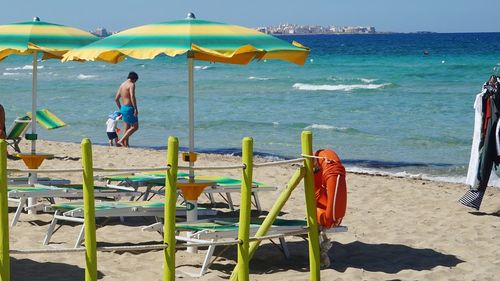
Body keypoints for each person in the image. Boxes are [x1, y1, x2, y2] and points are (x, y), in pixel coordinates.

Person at [115, 71, 139, 147]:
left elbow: (116, 99)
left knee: (127, 127)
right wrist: (135, 108)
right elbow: (132, 96)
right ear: (134, 79)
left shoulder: (122, 85)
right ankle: (121, 140)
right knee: (135, 127)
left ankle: (126, 145)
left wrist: (121, 108)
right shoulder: (131, 85)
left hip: (123, 108)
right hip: (129, 108)